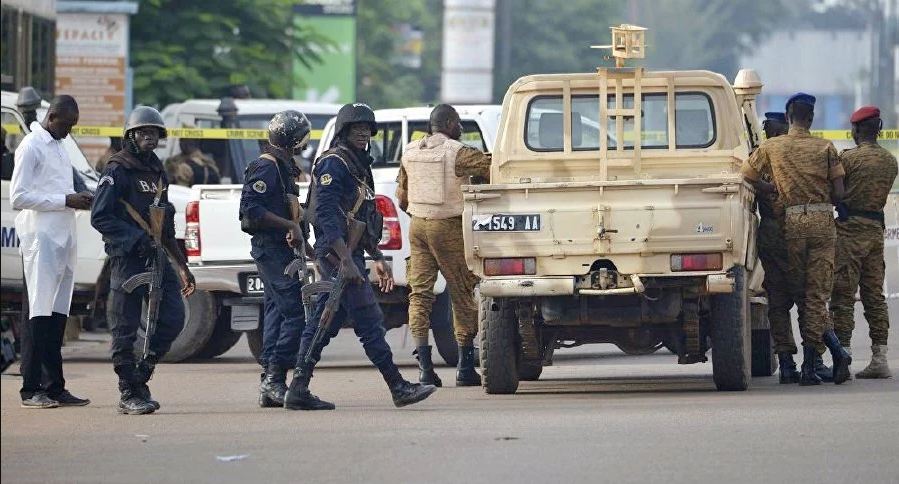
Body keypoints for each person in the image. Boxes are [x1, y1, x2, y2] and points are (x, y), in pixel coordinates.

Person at [283, 102, 437, 410]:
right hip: (337, 256)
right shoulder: (334, 164)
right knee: (368, 321)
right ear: (343, 131)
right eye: (357, 128)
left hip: (349, 254)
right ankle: (397, 386)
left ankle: (299, 386)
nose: (364, 134)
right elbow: (325, 215)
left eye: (368, 129)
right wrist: (345, 259)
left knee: (324, 323)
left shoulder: (357, 165)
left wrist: (376, 255)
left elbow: (363, 216)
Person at [91, 106, 196, 414]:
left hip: (157, 257)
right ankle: (128, 391)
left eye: (154, 133)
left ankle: (143, 372)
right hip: (128, 259)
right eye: (143, 133)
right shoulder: (117, 169)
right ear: (131, 136)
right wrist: (136, 240)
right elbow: (100, 216)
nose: (149, 138)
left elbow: (165, 221)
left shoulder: (157, 169)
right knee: (124, 328)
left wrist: (182, 264)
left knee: (174, 318)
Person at [741, 93, 851, 386]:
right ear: (811, 118)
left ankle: (789, 365)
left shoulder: (770, 148)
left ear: (788, 118)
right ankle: (812, 363)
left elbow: (745, 175)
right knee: (813, 295)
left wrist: (768, 190)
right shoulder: (825, 146)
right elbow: (840, 194)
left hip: (789, 225)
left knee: (779, 297)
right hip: (820, 223)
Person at [396, 104, 489, 387]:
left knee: (420, 295)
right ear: (449, 123)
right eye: (459, 123)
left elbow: (402, 197)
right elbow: (492, 169)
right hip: (447, 226)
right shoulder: (458, 153)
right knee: (462, 291)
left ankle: (425, 368)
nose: (461, 128)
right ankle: (464, 366)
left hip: (418, 226)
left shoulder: (410, 151)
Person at [10, 95, 92, 408]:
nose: (70, 131)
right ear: (53, 116)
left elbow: (59, 190)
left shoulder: (59, 146)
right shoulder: (32, 145)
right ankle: (31, 389)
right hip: (39, 238)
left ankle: (55, 386)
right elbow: (18, 197)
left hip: (64, 234)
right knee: (38, 313)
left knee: (58, 313)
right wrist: (64, 200)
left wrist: (77, 198)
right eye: (67, 124)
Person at [239, 110, 311, 407]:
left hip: (281, 251)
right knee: (295, 314)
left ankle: (269, 383)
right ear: (291, 139)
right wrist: (290, 225)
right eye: (301, 138)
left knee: (276, 313)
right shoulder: (266, 167)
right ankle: (276, 377)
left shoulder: (284, 168)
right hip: (271, 251)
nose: (304, 143)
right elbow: (250, 212)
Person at [831, 105, 897, 379]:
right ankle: (879, 357)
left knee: (843, 295)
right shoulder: (890, 161)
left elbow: (835, 191)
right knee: (874, 296)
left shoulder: (848, 159)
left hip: (849, 232)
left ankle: (843, 354)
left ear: (856, 130)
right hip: (874, 232)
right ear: (879, 129)